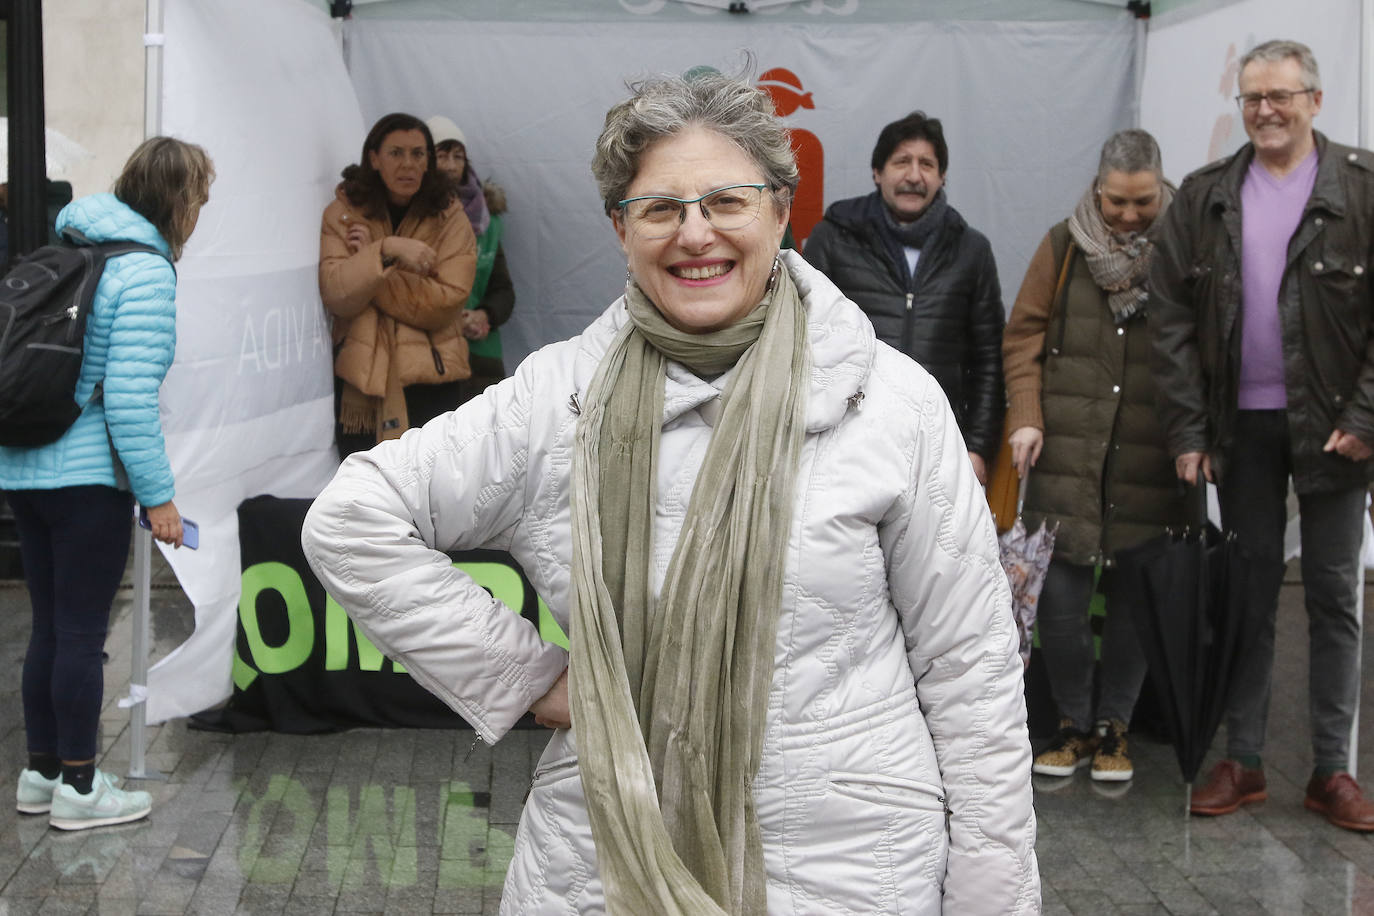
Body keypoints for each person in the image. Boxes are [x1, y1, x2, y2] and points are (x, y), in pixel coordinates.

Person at [303, 72, 1038, 913]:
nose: (696, 234)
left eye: (727, 201)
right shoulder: (559, 399)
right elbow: (351, 520)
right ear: (621, 228)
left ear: (779, 208)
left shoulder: (892, 404)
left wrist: (994, 896)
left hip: (846, 866)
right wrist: (527, 678)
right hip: (605, 862)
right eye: (660, 209)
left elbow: (970, 669)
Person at [1151, 39, 1374, 831]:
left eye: (1280, 96)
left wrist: (1364, 419)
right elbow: (1169, 313)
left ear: (1314, 99)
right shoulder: (1208, 195)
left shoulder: (1363, 186)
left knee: (1333, 597)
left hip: (1336, 431)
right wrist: (1190, 427)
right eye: (1251, 98)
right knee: (1246, 594)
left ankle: (1332, 771)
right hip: (1237, 428)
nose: (1265, 111)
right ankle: (1241, 760)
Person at [0, 137, 213, 830]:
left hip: (24, 467)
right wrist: (160, 498)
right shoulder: (144, 271)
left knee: (52, 629)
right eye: (200, 198)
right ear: (180, 200)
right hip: (87, 478)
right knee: (82, 632)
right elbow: (127, 400)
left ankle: (40, 775)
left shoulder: (68, 247)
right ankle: (82, 790)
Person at [1003, 129, 1186, 786]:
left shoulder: (1187, 247)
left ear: (1161, 188)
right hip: (1066, 447)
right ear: (1098, 189)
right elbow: (1022, 335)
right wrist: (1025, 416)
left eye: (1142, 203)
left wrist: (1197, 436)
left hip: (1153, 451)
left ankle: (1116, 729)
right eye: (1117, 203)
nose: (1129, 216)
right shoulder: (1063, 244)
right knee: (1062, 600)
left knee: (1138, 597)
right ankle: (1071, 725)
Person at [802, 110, 1004, 484]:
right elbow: (803, 341)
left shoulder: (971, 250)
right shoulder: (833, 238)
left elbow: (989, 360)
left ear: (942, 176)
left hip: (939, 445)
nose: (914, 175)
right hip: (845, 445)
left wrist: (977, 448)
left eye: (927, 164)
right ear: (877, 172)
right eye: (901, 162)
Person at [319, 112, 477, 458]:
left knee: (431, 492)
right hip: (362, 382)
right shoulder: (343, 213)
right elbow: (337, 294)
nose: (408, 164)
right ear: (374, 158)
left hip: (432, 379)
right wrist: (388, 250)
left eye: (418, 154)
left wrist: (370, 268)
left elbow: (445, 302)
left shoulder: (449, 217)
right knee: (362, 492)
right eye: (396, 153)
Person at [426, 115, 516, 396]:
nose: (452, 165)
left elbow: (502, 289)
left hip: (482, 354)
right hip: (432, 352)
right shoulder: (416, 220)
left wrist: (484, 315)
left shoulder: (487, 220)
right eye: (442, 156)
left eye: (458, 156)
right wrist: (452, 320)